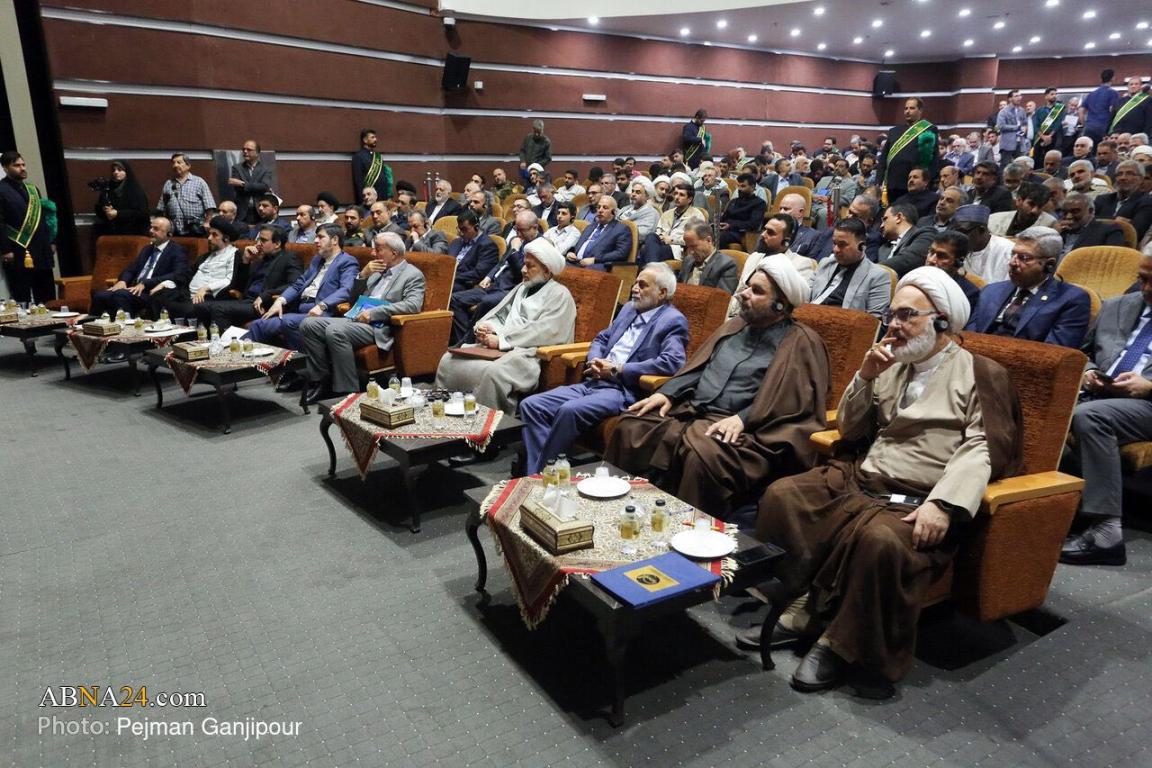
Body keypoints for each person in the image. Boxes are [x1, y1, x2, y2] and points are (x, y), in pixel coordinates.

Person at [748, 266, 1020, 699]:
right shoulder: (892, 362)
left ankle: (839, 642)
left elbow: (984, 447)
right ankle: (802, 603)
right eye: (892, 314)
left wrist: (943, 504)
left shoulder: (981, 373)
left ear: (941, 321)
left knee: (881, 540)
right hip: (864, 477)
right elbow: (852, 430)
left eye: (907, 315)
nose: (894, 325)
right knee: (786, 495)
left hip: (919, 495)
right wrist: (865, 376)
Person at [605, 255, 828, 519]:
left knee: (702, 456)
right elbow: (698, 368)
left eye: (756, 291)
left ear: (780, 305)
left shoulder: (801, 342)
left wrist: (743, 418)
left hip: (751, 430)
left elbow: (793, 403)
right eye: (747, 286)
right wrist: (668, 394)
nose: (743, 294)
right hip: (692, 411)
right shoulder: (734, 326)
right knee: (632, 424)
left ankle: (688, 530)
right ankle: (615, 512)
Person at [519, 263, 690, 474]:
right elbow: (601, 338)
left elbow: (672, 362)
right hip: (594, 381)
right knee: (531, 405)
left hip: (622, 390)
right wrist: (595, 360)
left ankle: (541, 475)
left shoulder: (673, 320)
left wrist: (618, 369)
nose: (635, 288)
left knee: (568, 410)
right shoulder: (629, 309)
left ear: (662, 293)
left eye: (643, 285)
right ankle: (542, 472)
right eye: (635, 283)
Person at [1061, 253, 1152, 566]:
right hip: (1100, 393)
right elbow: (1082, 353)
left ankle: (1107, 531)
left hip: (1147, 404)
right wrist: (1088, 371)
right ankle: (1052, 508)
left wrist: (1149, 387)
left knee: (1091, 417)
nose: (1145, 288)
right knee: (1035, 407)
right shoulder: (1117, 305)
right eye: (1142, 279)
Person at [435, 238, 577, 414]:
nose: (523, 270)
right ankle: (446, 413)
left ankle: (485, 424)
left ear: (547, 270)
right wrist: (488, 327)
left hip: (528, 353)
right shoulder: (522, 288)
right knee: (448, 360)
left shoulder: (560, 295)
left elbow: (545, 332)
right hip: (501, 345)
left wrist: (502, 341)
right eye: (524, 264)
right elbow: (501, 315)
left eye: (530, 266)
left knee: (492, 373)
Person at [299, 232, 426, 403]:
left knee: (334, 331)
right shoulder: (375, 271)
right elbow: (352, 302)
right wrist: (362, 276)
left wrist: (375, 313)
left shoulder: (412, 275)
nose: (373, 253)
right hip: (356, 319)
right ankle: (321, 380)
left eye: (378, 249)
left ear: (394, 253)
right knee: (308, 324)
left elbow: (412, 305)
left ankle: (348, 391)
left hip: (380, 326)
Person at [965, 226, 1090, 348]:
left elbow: (1054, 353)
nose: (1012, 263)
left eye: (1024, 258)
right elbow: (968, 337)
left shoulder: (1071, 299)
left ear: (1049, 265)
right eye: (1012, 255)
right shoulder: (991, 291)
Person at [246, 224, 360, 349]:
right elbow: (299, 283)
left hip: (321, 313)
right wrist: (280, 300)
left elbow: (346, 290)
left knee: (284, 322)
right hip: (299, 308)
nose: (315, 240)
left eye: (321, 237)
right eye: (316, 237)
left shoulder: (347, 261)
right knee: (258, 325)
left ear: (335, 240)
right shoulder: (317, 259)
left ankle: (302, 358)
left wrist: (322, 305)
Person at [450, 211, 537, 344]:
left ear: (534, 228)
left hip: (510, 289)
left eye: (522, 230)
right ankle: (463, 340)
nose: (518, 234)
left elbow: (522, 274)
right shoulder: (518, 241)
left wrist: (514, 251)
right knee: (454, 299)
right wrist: (489, 277)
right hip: (493, 285)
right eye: (516, 229)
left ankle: (467, 341)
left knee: (486, 302)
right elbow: (502, 262)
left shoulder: (538, 246)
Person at [205, 225, 302, 331]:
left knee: (218, 308)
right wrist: (246, 260)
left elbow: (295, 285)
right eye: (258, 239)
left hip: (263, 305)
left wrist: (266, 295)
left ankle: (222, 341)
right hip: (246, 301)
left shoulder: (289, 258)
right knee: (204, 306)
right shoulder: (259, 259)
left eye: (263, 240)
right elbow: (239, 286)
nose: (258, 244)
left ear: (277, 244)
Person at [89, 216, 188, 319]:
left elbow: (178, 274)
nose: (151, 231)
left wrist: (146, 283)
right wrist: (123, 281)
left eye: (156, 229)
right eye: (151, 227)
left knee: (121, 294)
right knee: (100, 295)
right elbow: (131, 269)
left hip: (154, 292)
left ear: (169, 234)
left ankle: (127, 325)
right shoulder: (147, 249)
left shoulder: (177, 251)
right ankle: (92, 323)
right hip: (135, 289)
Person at [150, 215, 242, 320]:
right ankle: (161, 328)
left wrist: (206, 288)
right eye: (209, 234)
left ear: (226, 238)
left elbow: (229, 280)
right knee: (158, 296)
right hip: (187, 294)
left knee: (189, 309)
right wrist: (166, 283)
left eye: (214, 235)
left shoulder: (234, 254)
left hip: (209, 296)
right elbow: (186, 276)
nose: (209, 238)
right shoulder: (206, 256)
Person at [730, 215, 815, 316]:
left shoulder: (801, 264)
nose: (763, 234)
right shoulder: (754, 257)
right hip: (738, 314)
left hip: (770, 318)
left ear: (786, 242)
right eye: (764, 229)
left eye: (770, 233)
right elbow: (738, 292)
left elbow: (799, 307)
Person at [0, 151, 56, 304]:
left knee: (48, 299)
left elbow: (44, 218)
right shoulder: (2, 189)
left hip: (42, 251)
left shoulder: (33, 189)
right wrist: (5, 250)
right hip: (18, 250)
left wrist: (51, 241)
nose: (22, 168)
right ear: (5, 167)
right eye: (16, 165)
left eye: (23, 164)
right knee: (22, 298)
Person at [809, 217, 891, 318]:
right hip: (808, 317)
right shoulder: (825, 263)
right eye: (834, 243)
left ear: (862, 246)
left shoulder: (878, 276)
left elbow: (874, 321)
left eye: (842, 244)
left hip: (840, 323)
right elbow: (806, 295)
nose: (835, 250)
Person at [876, 98, 938, 206]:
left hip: (912, 184)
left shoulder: (928, 129)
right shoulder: (893, 131)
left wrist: (929, 182)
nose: (907, 111)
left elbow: (932, 158)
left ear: (920, 110)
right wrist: (878, 180)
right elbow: (884, 158)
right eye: (906, 108)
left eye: (912, 108)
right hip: (891, 183)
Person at [951, 204, 1014, 283]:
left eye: (963, 232)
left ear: (981, 230)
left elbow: (1004, 287)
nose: (958, 238)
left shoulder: (1006, 250)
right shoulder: (962, 250)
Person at [156, 152, 215, 236]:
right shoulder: (168, 184)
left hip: (195, 230)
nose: (175, 165)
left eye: (179, 162)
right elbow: (161, 208)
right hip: (174, 231)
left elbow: (209, 205)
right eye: (173, 163)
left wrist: (207, 222)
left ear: (188, 166)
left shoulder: (199, 182)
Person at [567, 196, 632, 270]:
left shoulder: (621, 229)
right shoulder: (590, 226)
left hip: (597, 265)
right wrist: (571, 252)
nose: (600, 210)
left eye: (605, 208)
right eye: (598, 207)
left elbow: (620, 253)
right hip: (576, 262)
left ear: (614, 212)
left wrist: (595, 259)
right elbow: (578, 245)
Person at [1094, 160, 1152, 241]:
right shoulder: (1102, 199)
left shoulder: (1147, 201)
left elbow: (1136, 231)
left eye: (1129, 173)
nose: (1123, 178)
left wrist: (1101, 221)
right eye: (1119, 174)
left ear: (1141, 179)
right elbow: (1088, 223)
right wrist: (1120, 222)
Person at [1055, 193, 1126, 256]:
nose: (1068, 216)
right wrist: (1055, 234)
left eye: (1075, 211)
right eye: (1065, 212)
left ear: (1090, 211)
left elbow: (1113, 259)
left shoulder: (1109, 230)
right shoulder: (1060, 231)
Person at [93, 159, 150, 237]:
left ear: (126, 172)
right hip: (113, 233)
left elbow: (142, 213)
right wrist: (104, 210)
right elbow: (99, 209)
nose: (116, 172)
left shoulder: (135, 190)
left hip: (134, 233)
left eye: (120, 170)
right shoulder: (108, 189)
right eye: (113, 170)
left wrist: (118, 213)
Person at [925, 230, 980, 309]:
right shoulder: (914, 276)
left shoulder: (967, 294)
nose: (931, 260)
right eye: (931, 252)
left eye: (941, 256)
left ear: (959, 261)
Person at [878, 202, 935, 276]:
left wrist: (872, 269)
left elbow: (910, 259)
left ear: (898, 217)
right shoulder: (883, 248)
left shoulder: (925, 234)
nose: (881, 226)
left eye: (885, 219)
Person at [677, 224, 737, 292]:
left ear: (708, 240)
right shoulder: (688, 260)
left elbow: (722, 297)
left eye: (693, 246)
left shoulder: (727, 264)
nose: (691, 252)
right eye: (688, 247)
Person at [224, 139, 272, 225]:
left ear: (257, 153)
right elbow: (237, 188)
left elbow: (264, 187)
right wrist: (256, 187)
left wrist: (243, 184)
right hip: (242, 212)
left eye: (249, 150)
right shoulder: (237, 168)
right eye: (244, 149)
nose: (245, 152)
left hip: (260, 211)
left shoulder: (265, 169)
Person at [449, 210, 499, 291]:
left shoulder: (488, 246)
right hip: (448, 278)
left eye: (464, 229)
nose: (461, 233)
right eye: (459, 229)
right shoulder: (456, 242)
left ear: (476, 227)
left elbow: (478, 273)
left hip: (464, 284)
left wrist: (454, 276)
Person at [717, 173, 768, 249]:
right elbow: (724, 217)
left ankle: (720, 256)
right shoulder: (733, 201)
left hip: (743, 233)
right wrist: (718, 224)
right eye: (738, 186)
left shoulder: (759, 203)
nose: (739, 189)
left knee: (721, 236)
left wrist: (730, 225)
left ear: (752, 187)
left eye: (743, 186)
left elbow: (753, 224)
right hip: (726, 229)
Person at [987, 182, 1056, 237]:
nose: (1034, 211)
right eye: (1031, 204)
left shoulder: (1049, 224)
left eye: (1040, 206)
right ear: (1019, 200)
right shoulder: (994, 219)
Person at [351, 128, 393, 203]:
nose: (375, 139)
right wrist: (362, 200)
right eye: (372, 137)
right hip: (369, 199)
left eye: (375, 137)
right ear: (365, 140)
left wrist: (388, 195)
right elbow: (358, 181)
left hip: (382, 197)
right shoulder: (358, 156)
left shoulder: (378, 156)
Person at [1082, 69, 1120, 146]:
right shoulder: (1113, 93)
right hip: (1103, 127)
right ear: (1113, 78)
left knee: (1088, 149)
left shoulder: (1092, 94)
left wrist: (1085, 124)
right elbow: (1112, 109)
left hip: (1089, 127)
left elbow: (1081, 110)